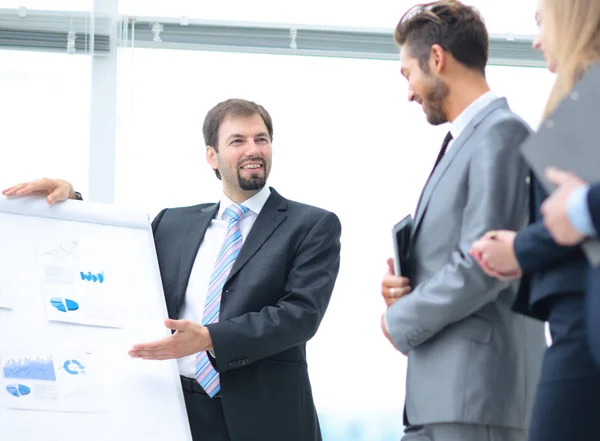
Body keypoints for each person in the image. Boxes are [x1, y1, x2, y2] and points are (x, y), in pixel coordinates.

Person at [3, 98, 342, 441]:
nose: (253, 149)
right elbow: (112, 261)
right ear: (212, 156)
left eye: (261, 139)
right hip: (172, 411)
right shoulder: (172, 223)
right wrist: (69, 204)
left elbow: (300, 314)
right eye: (237, 141)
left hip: (266, 416)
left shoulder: (311, 225)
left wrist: (210, 339)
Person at [379, 2, 545, 441]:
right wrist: (407, 287)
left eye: (407, 74)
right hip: (446, 395)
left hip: (478, 395)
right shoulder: (469, 138)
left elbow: (483, 263)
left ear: (437, 59)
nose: (409, 92)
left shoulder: (501, 133)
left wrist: (399, 320)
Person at [470, 0, 600, 439]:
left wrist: (521, 248)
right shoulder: (583, 97)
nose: (537, 39)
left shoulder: (588, 97)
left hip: (581, 321)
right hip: (573, 319)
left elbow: (578, 214)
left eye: (542, 22)